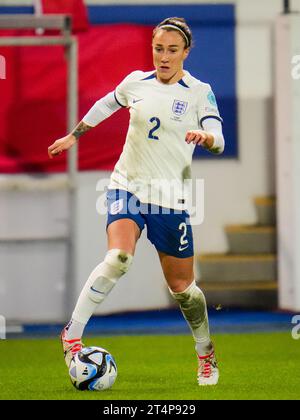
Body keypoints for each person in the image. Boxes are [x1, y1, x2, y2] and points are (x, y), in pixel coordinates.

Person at [48, 17, 225, 386]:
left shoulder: (198, 91)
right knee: (119, 258)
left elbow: (219, 136)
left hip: (170, 200)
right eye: (158, 49)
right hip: (126, 186)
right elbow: (105, 104)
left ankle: (205, 351)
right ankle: (73, 333)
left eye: (172, 50)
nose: (164, 57)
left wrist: (206, 139)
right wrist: (74, 135)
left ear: (186, 53)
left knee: (184, 291)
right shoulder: (136, 82)